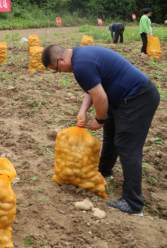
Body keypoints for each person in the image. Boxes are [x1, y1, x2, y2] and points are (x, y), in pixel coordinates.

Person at [41, 45, 160, 216]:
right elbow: (94, 88)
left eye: (57, 70)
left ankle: (133, 203)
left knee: (127, 146)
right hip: (122, 99)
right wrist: (83, 111)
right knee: (110, 135)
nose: (60, 73)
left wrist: (99, 119)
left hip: (137, 98)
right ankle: (104, 171)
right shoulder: (79, 56)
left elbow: (101, 98)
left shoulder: (81, 65)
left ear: (61, 59)